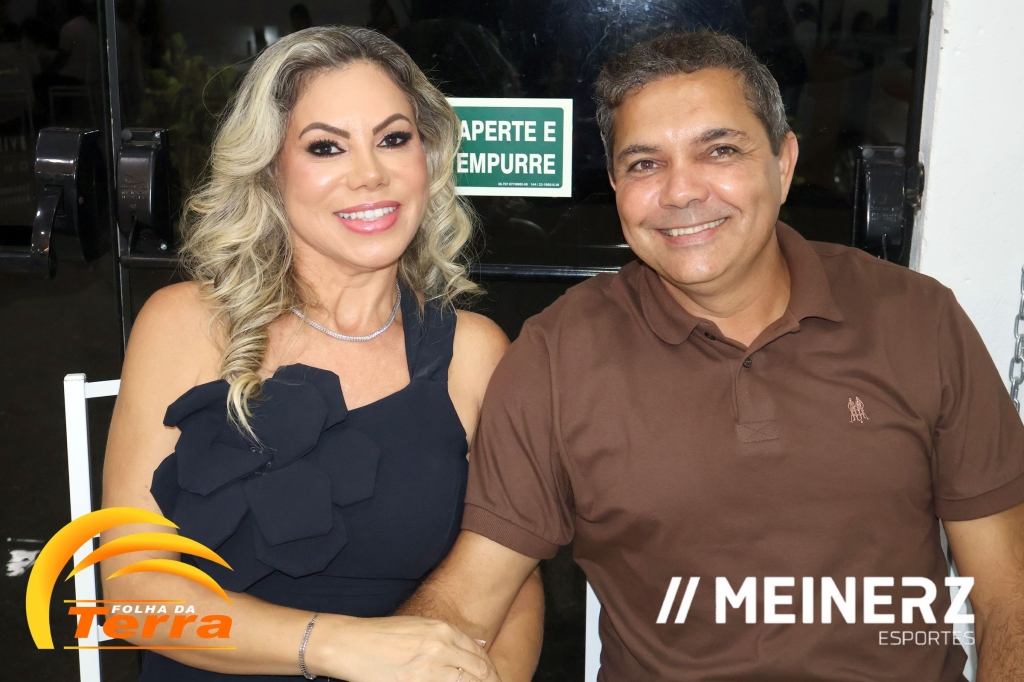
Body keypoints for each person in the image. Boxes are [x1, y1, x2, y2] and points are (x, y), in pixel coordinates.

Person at [399, 30, 1024, 680]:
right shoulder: (559, 356)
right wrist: (343, 646)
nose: (681, 192)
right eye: (644, 164)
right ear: (614, 186)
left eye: (720, 151)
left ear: (783, 164)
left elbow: (1010, 591)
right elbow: (469, 600)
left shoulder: (916, 319)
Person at [100, 25, 542, 682]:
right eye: (326, 147)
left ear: (427, 157)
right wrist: (332, 645)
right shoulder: (186, 325)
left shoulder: (473, 353)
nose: (370, 175)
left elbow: (512, 581)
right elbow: (133, 597)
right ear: (270, 171)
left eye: (394, 139)